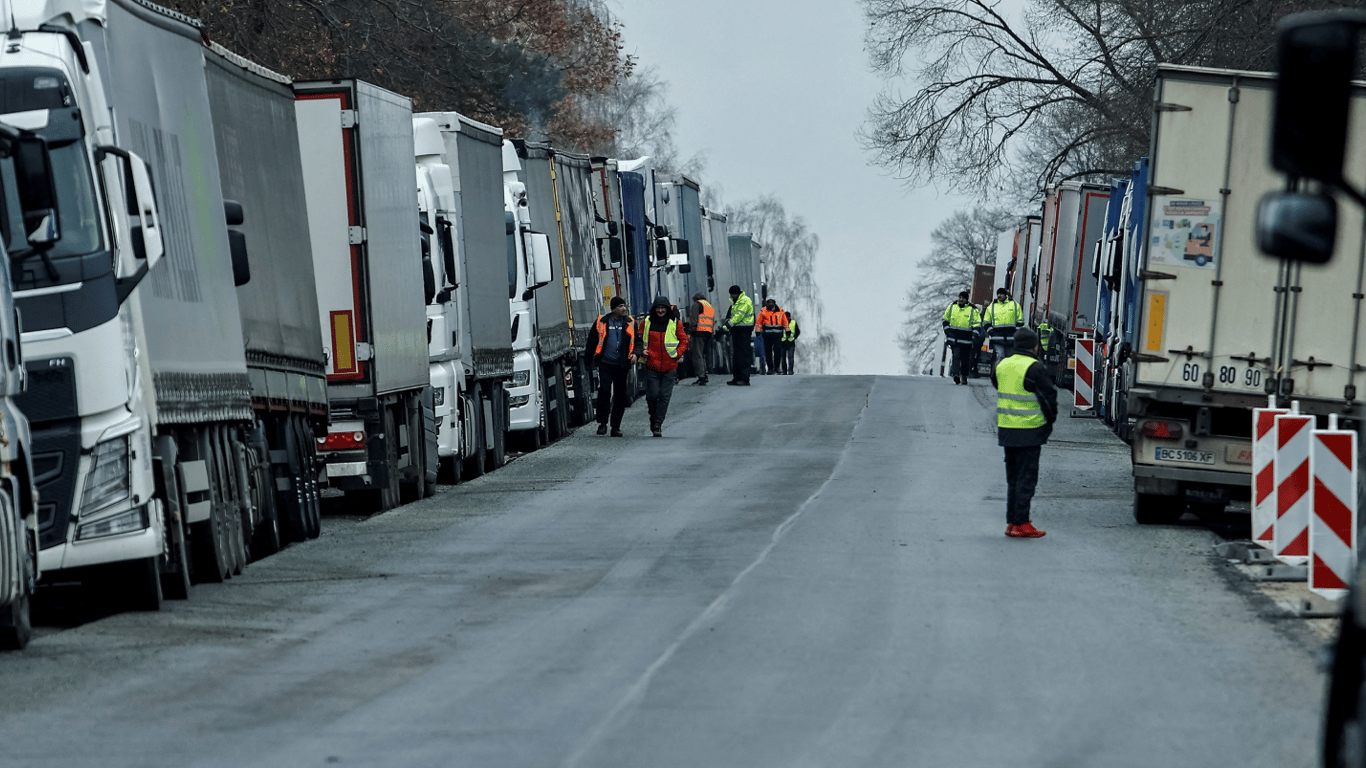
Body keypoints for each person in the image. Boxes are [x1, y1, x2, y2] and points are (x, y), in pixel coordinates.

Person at [991, 328, 1058, 538]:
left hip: (1007, 430)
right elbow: (1048, 398)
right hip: (1029, 431)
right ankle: (1022, 523)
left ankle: (1012, 522)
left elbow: (997, 384)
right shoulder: (1034, 367)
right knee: (1026, 479)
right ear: (1034, 345)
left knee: (1013, 479)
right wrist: (1049, 423)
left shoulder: (1001, 365)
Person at [637, 295, 689, 437]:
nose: (660, 310)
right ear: (654, 309)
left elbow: (684, 340)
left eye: (663, 308)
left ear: (667, 309)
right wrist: (642, 350)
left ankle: (658, 424)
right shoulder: (646, 322)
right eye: (658, 308)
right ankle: (653, 419)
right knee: (652, 396)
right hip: (651, 365)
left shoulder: (675, 323)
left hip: (669, 367)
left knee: (664, 397)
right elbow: (639, 340)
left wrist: (676, 355)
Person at [583, 296, 635, 437]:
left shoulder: (630, 322)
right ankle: (602, 423)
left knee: (620, 396)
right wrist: (588, 362)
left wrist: (636, 354)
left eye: (624, 306)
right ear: (613, 309)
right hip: (605, 364)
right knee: (604, 392)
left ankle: (616, 427)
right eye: (620, 306)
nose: (623, 309)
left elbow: (638, 340)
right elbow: (592, 342)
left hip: (622, 365)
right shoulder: (602, 322)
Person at [941, 291, 982, 385]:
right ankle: (956, 375)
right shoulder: (952, 307)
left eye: (963, 298)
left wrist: (974, 335)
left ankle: (964, 376)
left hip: (966, 339)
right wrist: (947, 332)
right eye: (960, 297)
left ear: (967, 299)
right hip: (954, 338)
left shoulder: (973, 310)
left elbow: (977, 323)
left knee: (965, 359)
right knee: (956, 356)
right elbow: (945, 320)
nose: (960, 299)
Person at [722, 285, 755, 385]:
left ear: (736, 293)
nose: (731, 296)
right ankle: (737, 377)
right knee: (736, 355)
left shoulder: (744, 301)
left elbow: (739, 316)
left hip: (744, 330)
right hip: (737, 330)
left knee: (743, 355)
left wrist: (728, 325)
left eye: (732, 294)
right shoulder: (736, 302)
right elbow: (733, 315)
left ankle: (744, 378)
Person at [984, 288, 1025, 364]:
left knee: (1010, 359)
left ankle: (1006, 375)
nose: (999, 295)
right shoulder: (991, 307)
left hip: (1011, 338)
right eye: (998, 294)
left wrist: (1016, 333)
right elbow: (986, 322)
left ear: (1005, 295)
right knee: (1000, 356)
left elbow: (1020, 321)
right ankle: (998, 375)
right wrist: (992, 332)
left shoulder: (1015, 305)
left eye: (1001, 294)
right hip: (997, 338)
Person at [686, 292, 715, 385]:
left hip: (699, 332)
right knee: (703, 354)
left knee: (697, 355)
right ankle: (704, 373)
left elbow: (694, 319)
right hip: (708, 332)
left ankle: (702, 376)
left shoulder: (696, 304)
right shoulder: (709, 305)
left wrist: (691, 331)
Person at [756, 299, 787, 375]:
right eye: (769, 302)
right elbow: (759, 322)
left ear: (774, 303)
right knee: (768, 352)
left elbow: (785, 322)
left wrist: (787, 330)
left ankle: (777, 368)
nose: (770, 303)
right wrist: (757, 331)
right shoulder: (763, 312)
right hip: (767, 335)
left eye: (771, 302)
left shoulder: (781, 312)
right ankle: (770, 368)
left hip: (777, 335)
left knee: (777, 351)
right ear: (767, 303)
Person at [780, 310, 800, 375]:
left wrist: (794, 337)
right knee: (783, 358)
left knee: (790, 357)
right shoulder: (781, 324)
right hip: (782, 343)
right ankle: (784, 371)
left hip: (790, 343)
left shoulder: (793, 323)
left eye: (787, 317)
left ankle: (790, 370)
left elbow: (797, 332)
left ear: (789, 317)